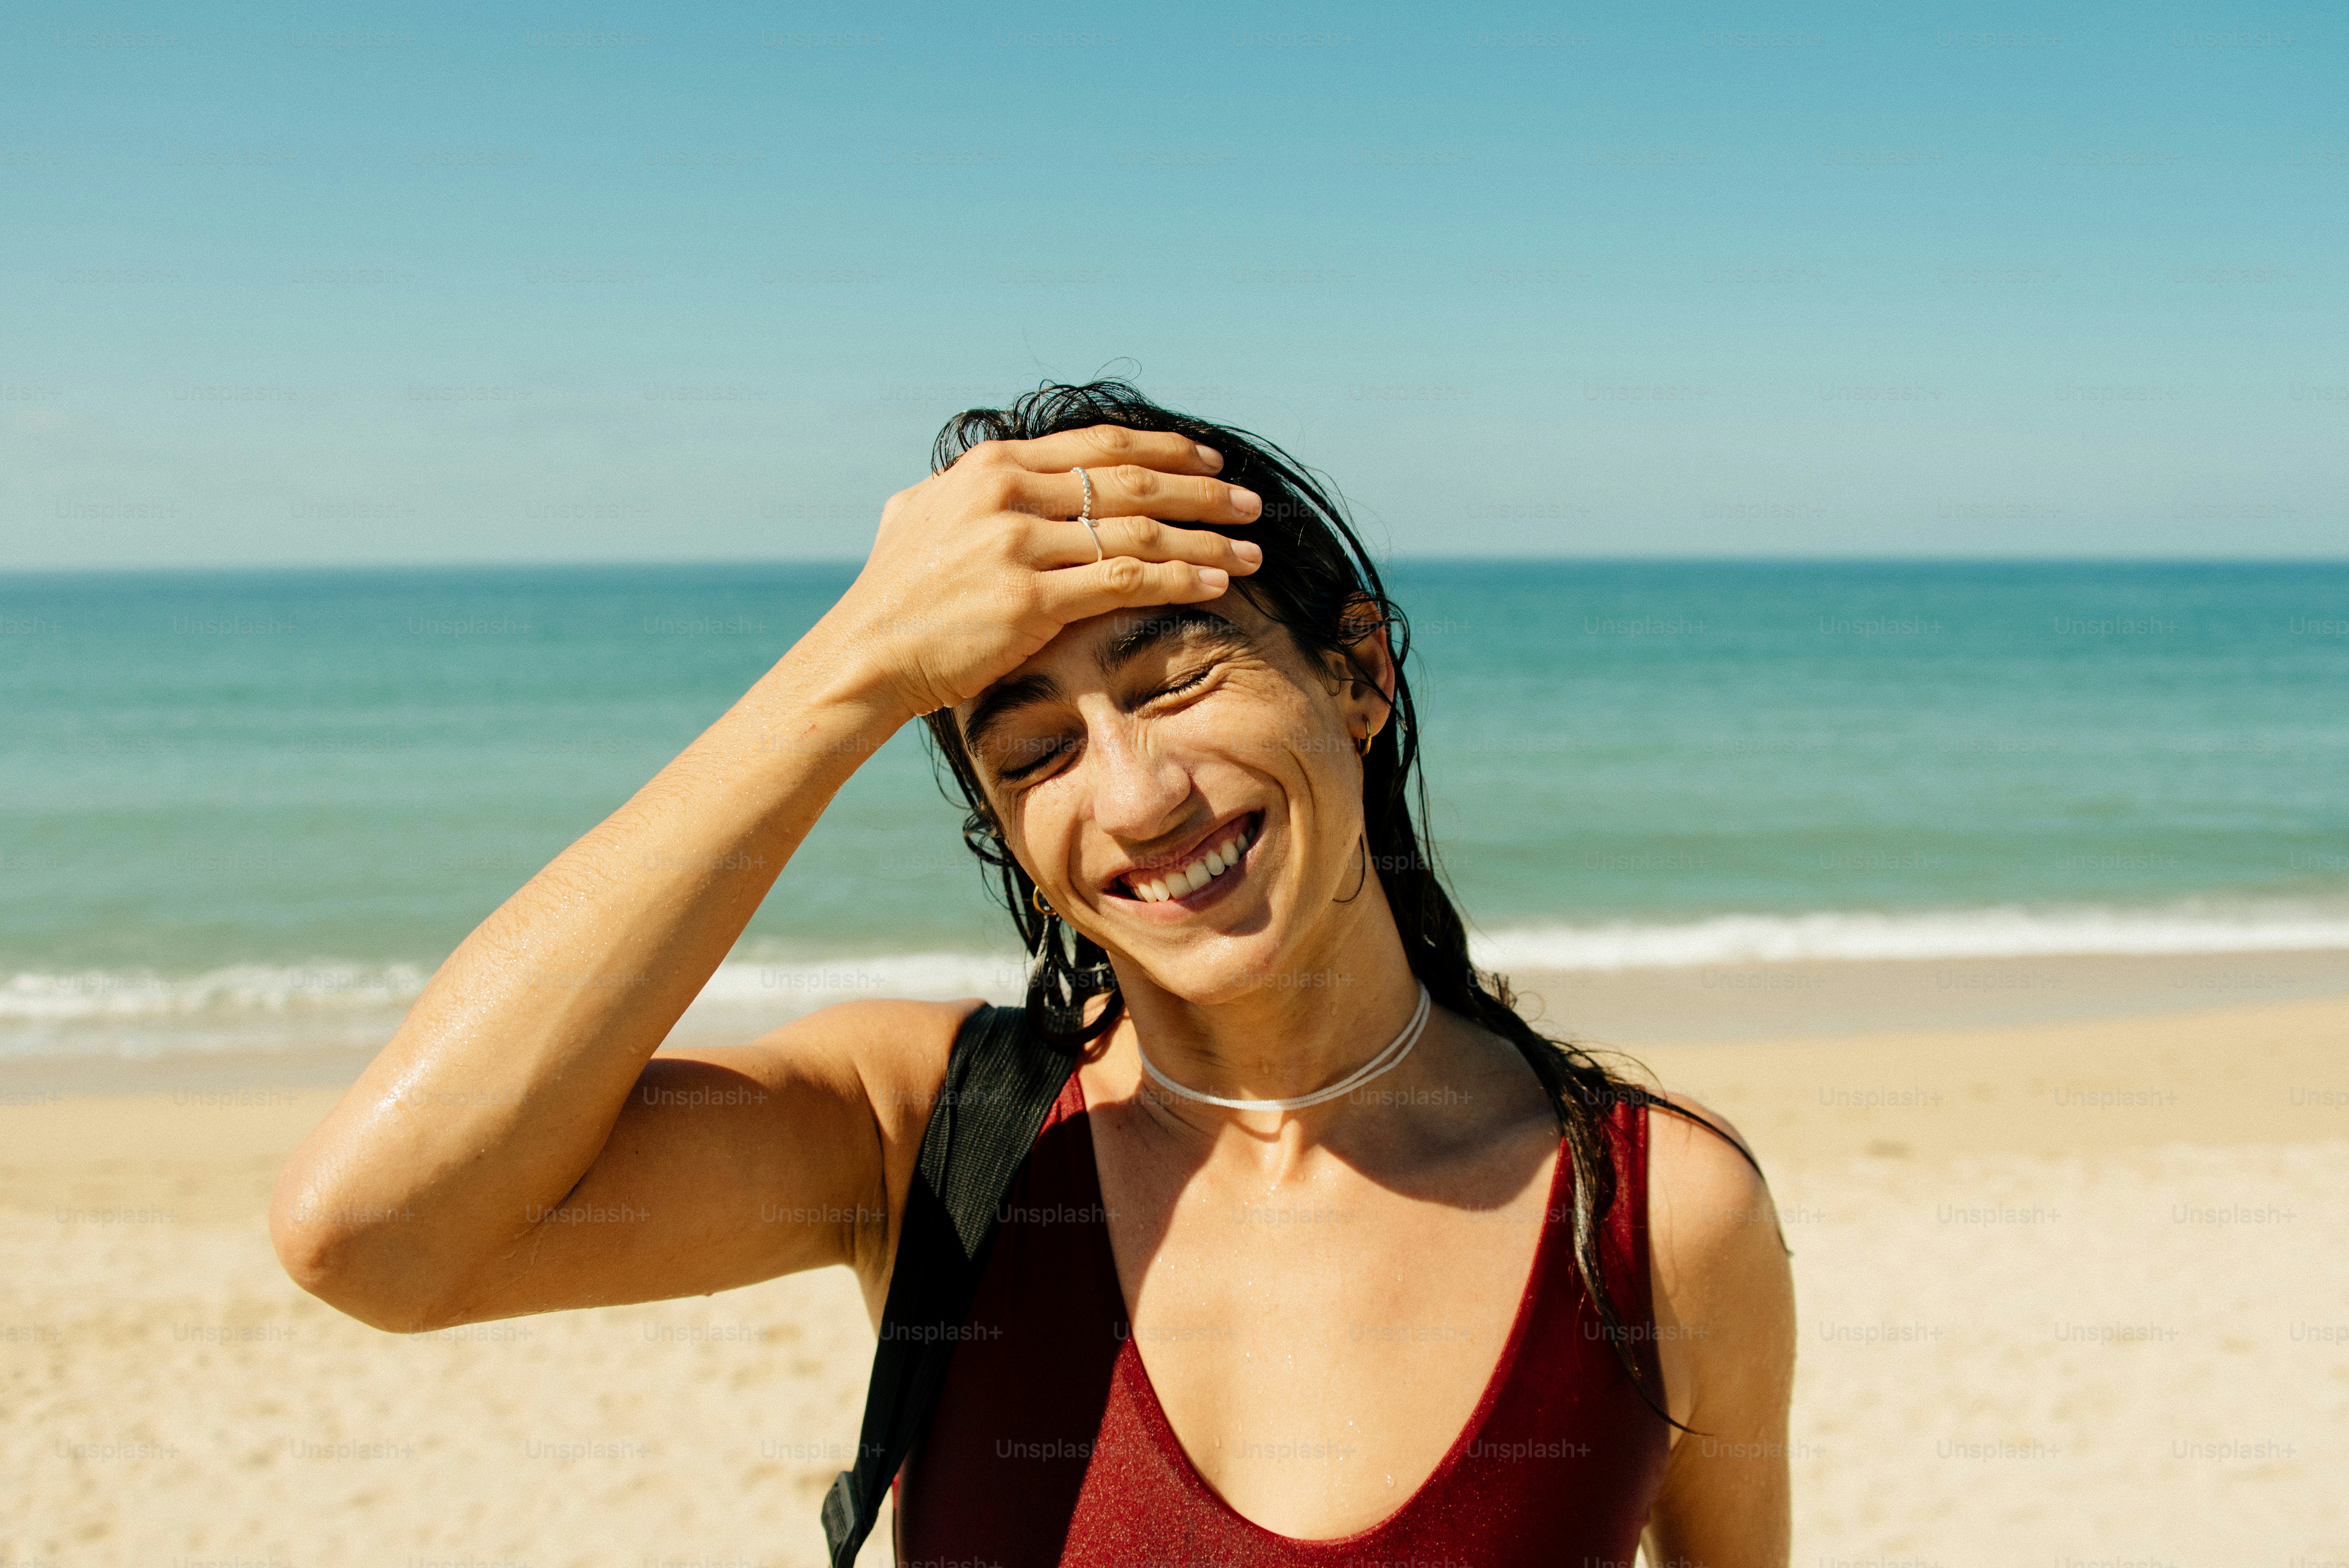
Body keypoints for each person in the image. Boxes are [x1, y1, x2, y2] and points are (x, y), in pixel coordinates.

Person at [273, 380, 1797, 1564]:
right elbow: (379, 1234)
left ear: (1355, 674)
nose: (1135, 798)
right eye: (1033, 747)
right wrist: (849, 668)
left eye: (1172, 676)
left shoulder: (1656, 1215)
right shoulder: (926, 1142)